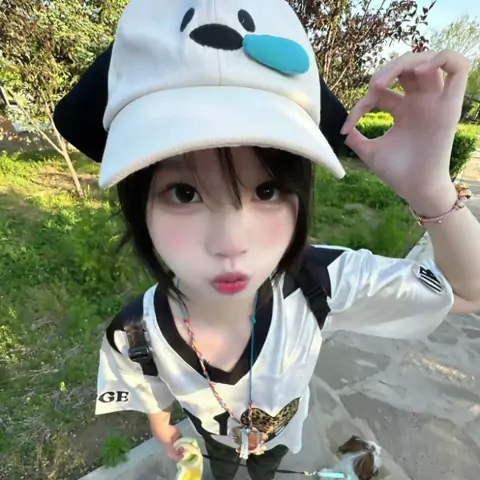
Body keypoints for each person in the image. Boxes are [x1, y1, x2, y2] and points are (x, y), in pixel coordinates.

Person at [54, 1, 480, 479]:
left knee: (264, 468)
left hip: (279, 439)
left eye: (267, 190)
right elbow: (146, 383)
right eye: (184, 193)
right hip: (212, 440)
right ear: (139, 205)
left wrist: (432, 192)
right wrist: (163, 430)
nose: (231, 243)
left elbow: (467, 292)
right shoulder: (136, 332)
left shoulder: (321, 282)